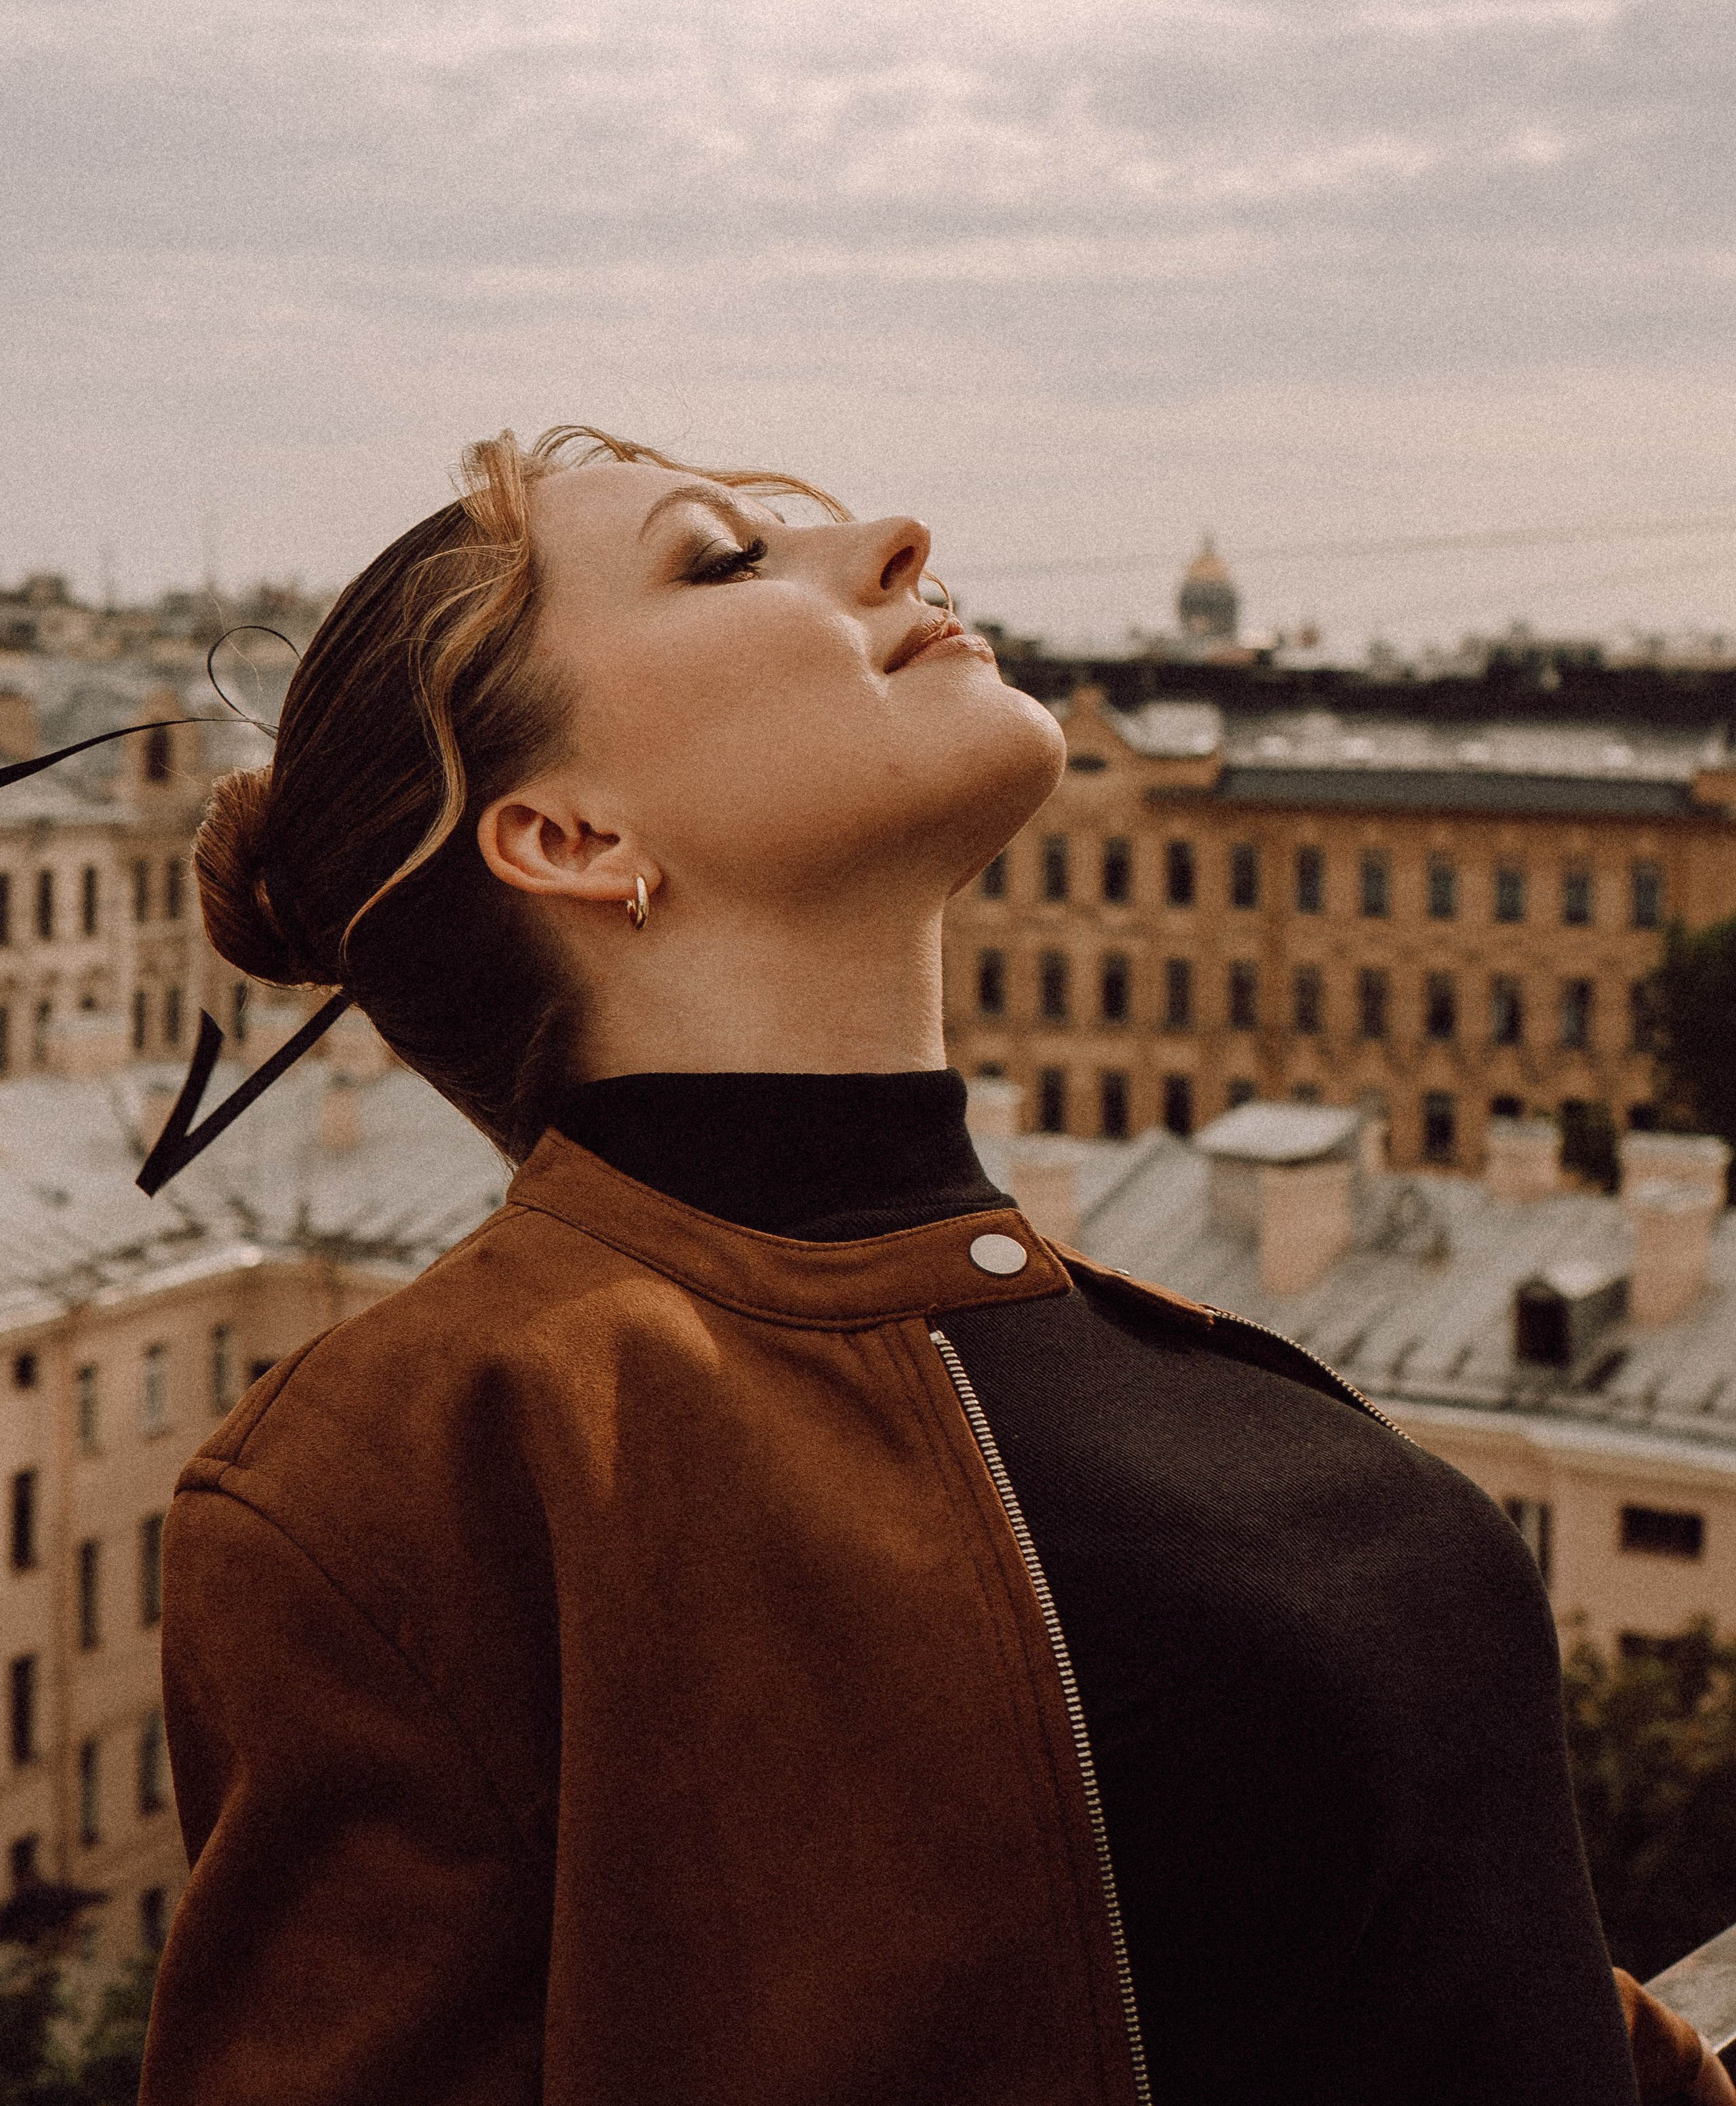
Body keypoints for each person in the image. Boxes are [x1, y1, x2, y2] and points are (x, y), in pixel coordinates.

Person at [138, 427, 1728, 2106]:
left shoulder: (1164, 1345)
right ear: (569, 836)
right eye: (721, 558)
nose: (900, 538)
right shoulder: (424, 1465)